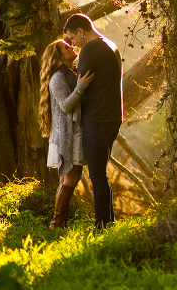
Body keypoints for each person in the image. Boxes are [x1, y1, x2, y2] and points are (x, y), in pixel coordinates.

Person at [63, 13, 123, 228]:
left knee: (97, 174)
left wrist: (60, 67)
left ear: (81, 31)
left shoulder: (90, 48)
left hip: (97, 118)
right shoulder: (110, 45)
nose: (73, 44)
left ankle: (102, 225)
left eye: (72, 38)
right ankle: (108, 222)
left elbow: (77, 84)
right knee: (101, 173)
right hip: (111, 117)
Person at [39, 39, 95, 231]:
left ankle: (59, 223)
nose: (71, 47)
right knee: (70, 178)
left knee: (69, 178)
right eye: (66, 47)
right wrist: (80, 87)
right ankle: (57, 223)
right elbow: (65, 105)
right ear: (59, 56)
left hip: (71, 132)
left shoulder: (68, 74)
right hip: (66, 134)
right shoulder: (57, 78)